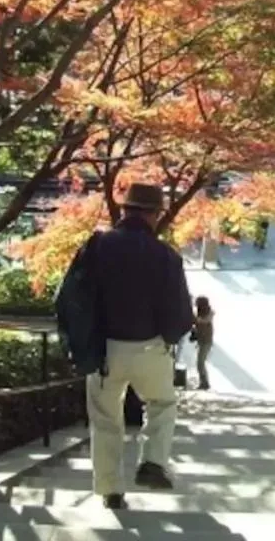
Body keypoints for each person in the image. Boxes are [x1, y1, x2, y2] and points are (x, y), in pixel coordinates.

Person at [85, 182, 193, 510]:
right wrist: (169, 338)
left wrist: (82, 342)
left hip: (103, 349)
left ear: (126, 209)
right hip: (149, 346)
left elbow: (75, 298)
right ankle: (152, 462)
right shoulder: (165, 255)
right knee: (162, 403)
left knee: (105, 417)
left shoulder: (97, 246)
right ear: (154, 214)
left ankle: (110, 490)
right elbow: (180, 312)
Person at [191, 296, 215, 391]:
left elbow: (204, 321)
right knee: (200, 363)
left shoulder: (208, 313)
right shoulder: (200, 313)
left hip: (206, 342)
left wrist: (195, 319)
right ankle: (204, 382)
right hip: (202, 342)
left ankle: (204, 383)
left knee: (200, 363)